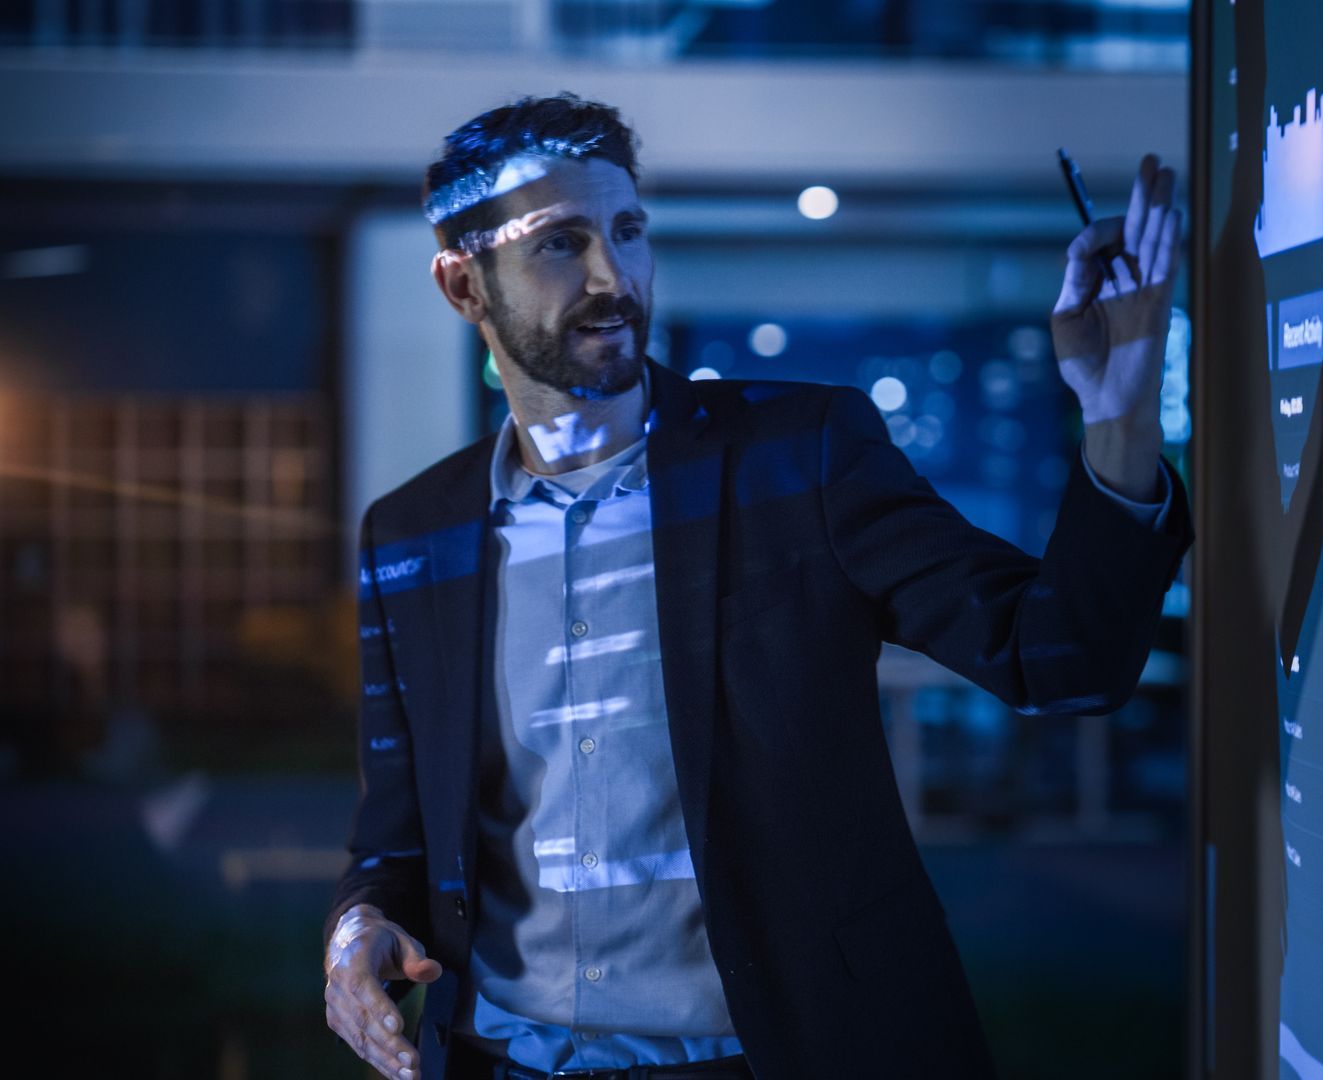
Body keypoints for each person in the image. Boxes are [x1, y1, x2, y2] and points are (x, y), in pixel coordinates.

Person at [322, 93, 1193, 1080]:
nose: (614, 276)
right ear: (461, 284)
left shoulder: (799, 460)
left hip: (776, 1058)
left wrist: (1119, 423)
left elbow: (1062, 657)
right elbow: (398, 829)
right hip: (496, 1060)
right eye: (561, 244)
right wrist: (358, 930)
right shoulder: (413, 534)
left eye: (629, 229)